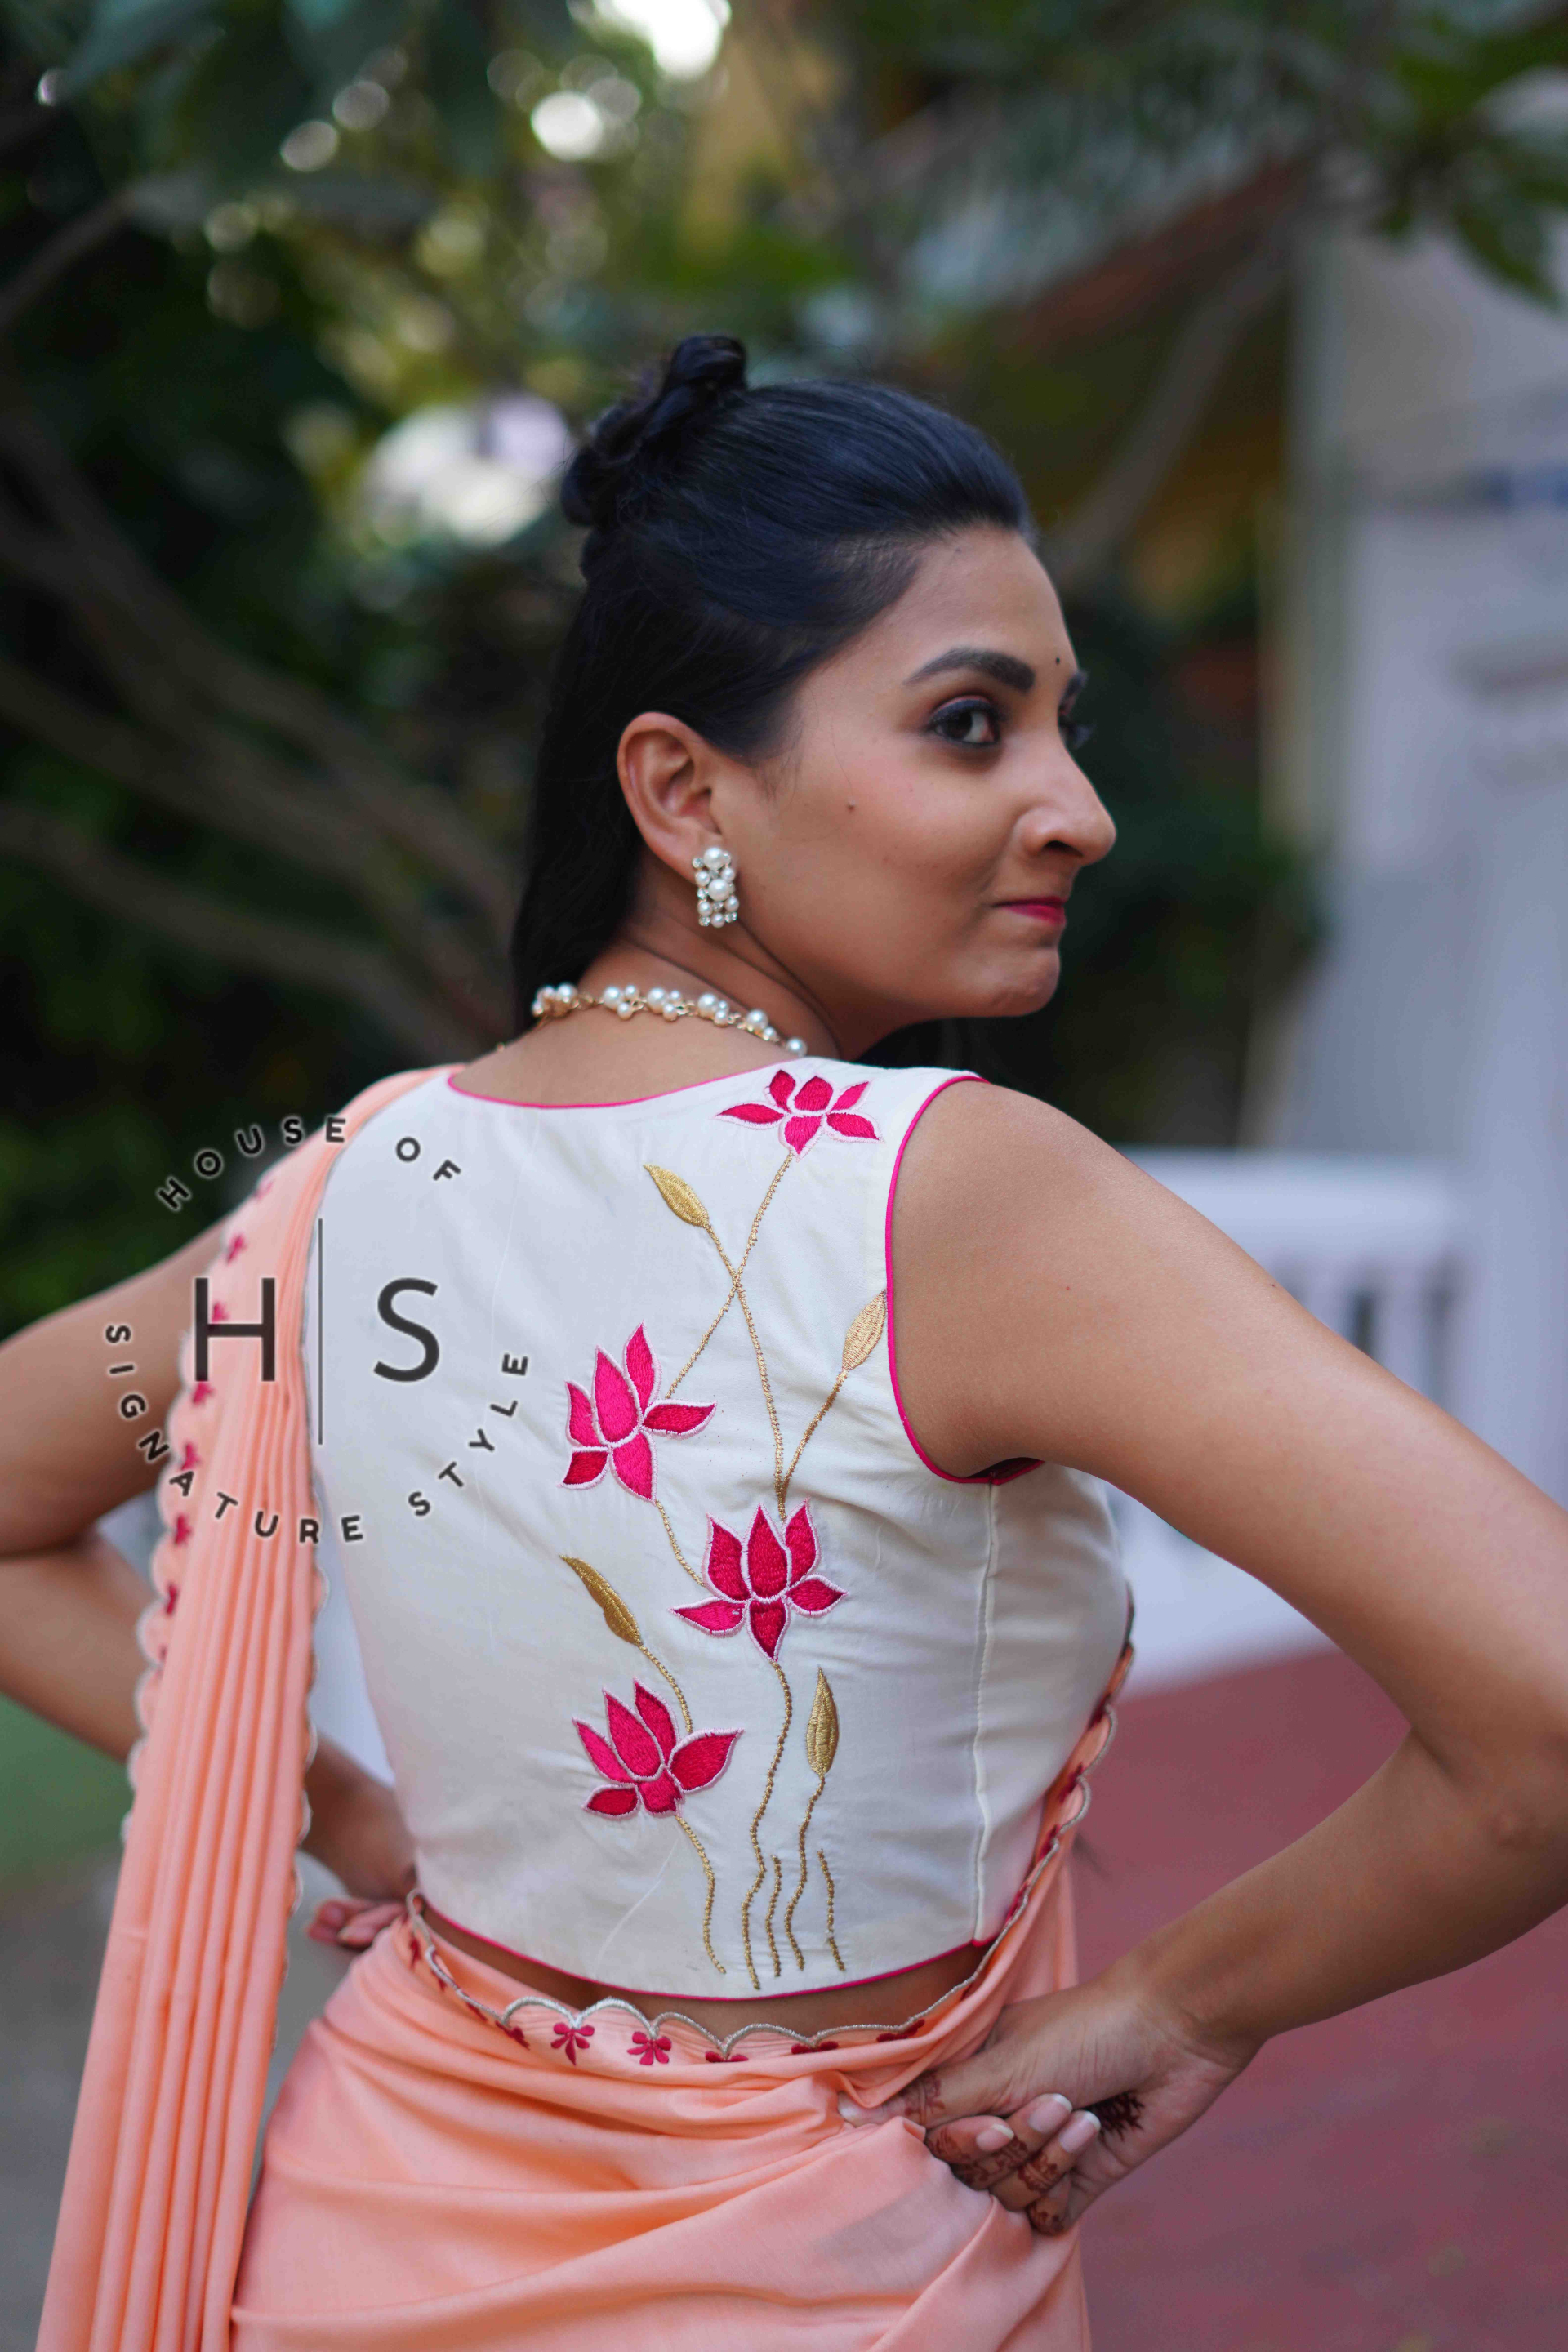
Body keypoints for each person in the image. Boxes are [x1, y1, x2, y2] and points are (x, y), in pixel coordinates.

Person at [8, 334, 1568, 2352]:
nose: (1080, 810)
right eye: (971, 724)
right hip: (827, 2272)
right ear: (682, 790)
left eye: (1064, 727)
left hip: (364, 2235)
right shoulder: (949, 1199)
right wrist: (1186, 2002)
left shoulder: (344, 1195)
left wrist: (339, 1807)